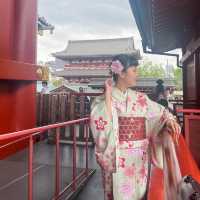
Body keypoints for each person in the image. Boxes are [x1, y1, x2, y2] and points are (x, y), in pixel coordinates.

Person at [90, 54, 180, 200]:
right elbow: (102, 124)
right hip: (117, 156)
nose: (137, 74)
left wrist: (168, 120)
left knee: (139, 193)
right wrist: (107, 95)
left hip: (138, 158)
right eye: (134, 70)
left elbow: (160, 113)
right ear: (122, 73)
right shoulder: (102, 100)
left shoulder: (140, 98)